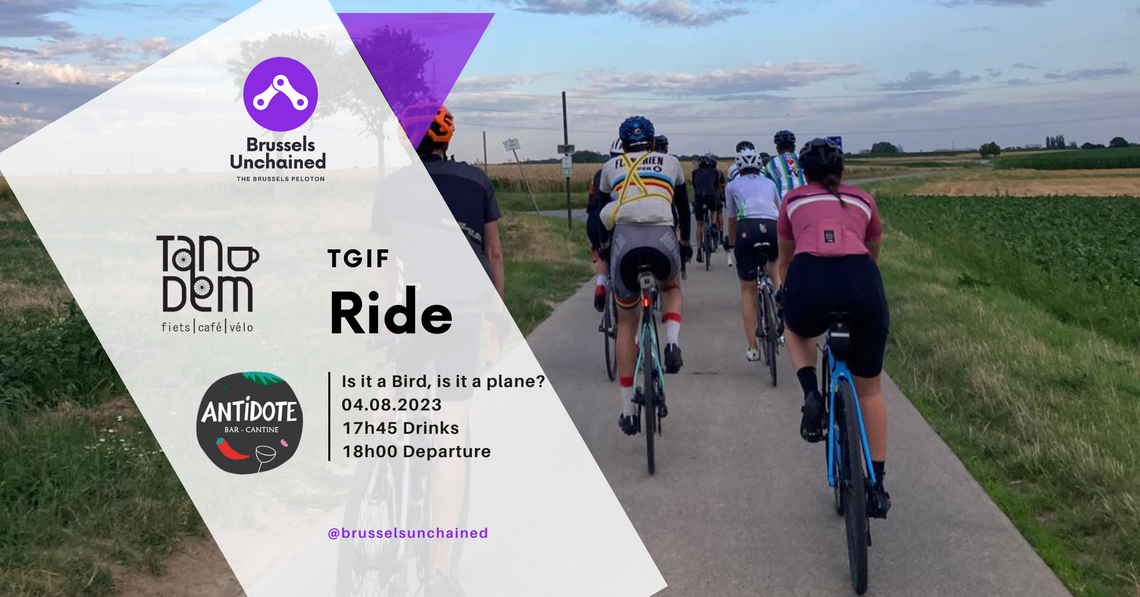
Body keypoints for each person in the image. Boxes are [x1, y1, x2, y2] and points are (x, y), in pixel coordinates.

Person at [373, 105, 504, 597]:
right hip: (463, 317)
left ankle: (386, 480)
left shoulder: (390, 188)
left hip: (409, 316)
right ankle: (439, 568)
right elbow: (492, 253)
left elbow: (382, 266)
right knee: (451, 438)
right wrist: (495, 318)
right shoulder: (476, 183)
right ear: (449, 139)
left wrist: (384, 331)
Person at [776, 138, 891, 519]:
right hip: (859, 281)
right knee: (870, 388)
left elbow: (786, 258)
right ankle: (877, 485)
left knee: (795, 329)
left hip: (810, 279)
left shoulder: (792, 201)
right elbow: (873, 254)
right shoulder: (863, 199)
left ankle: (811, 393)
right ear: (842, 173)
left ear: (803, 174)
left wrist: (786, 291)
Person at [600, 116, 689, 435]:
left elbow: (601, 215)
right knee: (672, 286)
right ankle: (671, 343)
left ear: (622, 145)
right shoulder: (672, 163)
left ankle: (627, 412)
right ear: (653, 142)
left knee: (626, 323)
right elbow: (683, 208)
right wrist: (687, 243)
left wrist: (603, 254)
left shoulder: (611, 168)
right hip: (662, 240)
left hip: (625, 244)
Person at [725, 148, 781, 361]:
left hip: (746, 229)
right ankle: (783, 322)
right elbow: (780, 209)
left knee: (748, 291)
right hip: (772, 225)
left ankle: (753, 347)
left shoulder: (732, 186)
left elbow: (731, 219)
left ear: (738, 167)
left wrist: (731, 244)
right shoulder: (770, 183)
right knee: (775, 268)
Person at [587, 139, 625, 311]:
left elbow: (591, 200)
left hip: (594, 220)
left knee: (603, 253)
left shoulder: (599, 173)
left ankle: (601, 286)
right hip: (614, 219)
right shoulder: (629, 172)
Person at [691, 152, 725, 264]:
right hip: (710, 196)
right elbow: (716, 186)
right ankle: (714, 225)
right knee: (714, 210)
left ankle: (699, 251)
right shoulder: (715, 172)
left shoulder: (694, 172)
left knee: (699, 224)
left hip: (699, 198)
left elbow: (695, 186)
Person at [765, 130, 806, 200]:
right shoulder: (803, 159)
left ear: (777, 149)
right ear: (794, 147)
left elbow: (767, 188)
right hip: (805, 199)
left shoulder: (770, 164)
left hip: (783, 201)